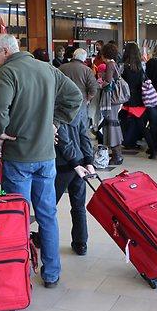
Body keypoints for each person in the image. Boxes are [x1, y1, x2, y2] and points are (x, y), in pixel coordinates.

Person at [0, 34, 83, 288]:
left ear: (5, 51)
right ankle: (51, 273)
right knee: (47, 215)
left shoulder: (8, 73)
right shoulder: (48, 69)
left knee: (18, 216)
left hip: (18, 155)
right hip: (46, 157)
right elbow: (75, 97)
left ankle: (21, 273)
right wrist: (55, 122)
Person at [54, 103, 95, 256]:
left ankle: (45, 239)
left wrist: (76, 163)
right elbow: (84, 134)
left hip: (63, 166)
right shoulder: (78, 108)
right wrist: (88, 160)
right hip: (80, 164)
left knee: (49, 208)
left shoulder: (55, 110)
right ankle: (81, 242)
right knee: (78, 206)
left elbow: (64, 141)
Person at [122, 43, 157, 159]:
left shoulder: (125, 68)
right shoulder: (140, 67)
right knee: (142, 126)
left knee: (120, 121)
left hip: (129, 100)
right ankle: (152, 149)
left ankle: (151, 149)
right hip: (140, 100)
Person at [99, 42, 125, 164]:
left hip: (111, 100)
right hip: (116, 100)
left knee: (111, 125)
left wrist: (100, 83)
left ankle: (117, 155)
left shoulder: (109, 65)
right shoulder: (115, 64)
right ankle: (117, 153)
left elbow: (108, 82)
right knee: (114, 124)